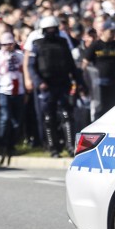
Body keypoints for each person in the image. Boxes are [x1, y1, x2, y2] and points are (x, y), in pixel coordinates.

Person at [28, 16, 84, 157]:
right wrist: (39, 81)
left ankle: (71, 146)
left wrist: (79, 81)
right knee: (49, 117)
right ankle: (53, 147)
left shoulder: (63, 42)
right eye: (49, 29)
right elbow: (31, 66)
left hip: (63, 83)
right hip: (47, 85)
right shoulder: (37, 44)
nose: (52, 31)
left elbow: (71, 64)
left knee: (67, 115)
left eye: (54, 28)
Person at [82, 20, 115, 118]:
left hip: (114, 83)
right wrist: (85, 83)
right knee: (99, 111)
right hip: (99, 84)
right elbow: (85, 64)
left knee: (113, 110)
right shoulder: (95, 45)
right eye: (111, 31)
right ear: (103, 31)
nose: (113, 34)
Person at [0, 32, 26, 161]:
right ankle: (2, 144)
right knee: (5, 118)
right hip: (3, 91)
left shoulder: (20, 56)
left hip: (18, 91)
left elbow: (24, 73)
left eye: (10, 44)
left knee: (17, 120)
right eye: (4, 44)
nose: (7, 47)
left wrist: (26, 91)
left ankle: (12, 144)